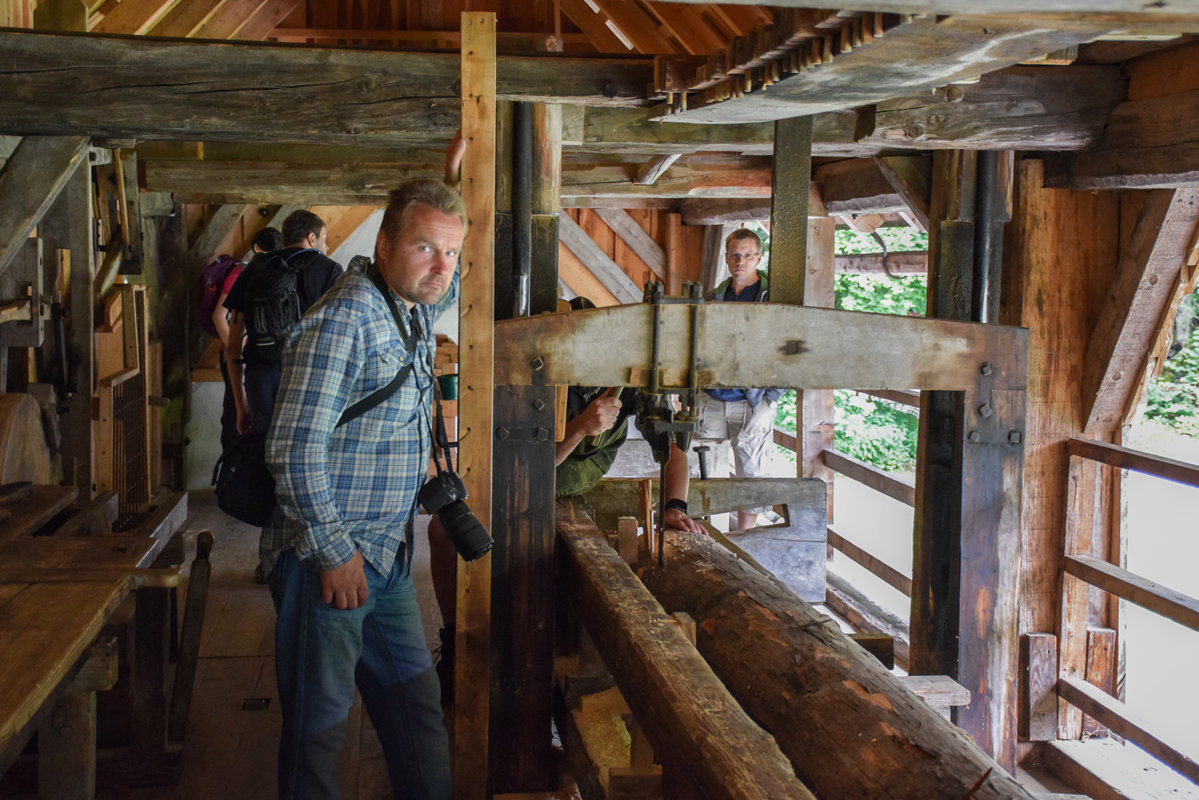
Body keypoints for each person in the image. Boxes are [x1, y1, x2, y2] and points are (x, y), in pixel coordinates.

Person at [262, 174, 464, 799]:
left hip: (387, 555)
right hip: (329, 560)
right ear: (384, 244)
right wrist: (333, 552)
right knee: (319, 732)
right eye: (426, 247)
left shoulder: (408, 307)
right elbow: (292, 449)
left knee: (416, 710)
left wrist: (457, 175)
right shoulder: (345, 318)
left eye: (451, 251)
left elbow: (449, 277)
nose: (442, 267)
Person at [224, 210, 343, 435]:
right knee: (306, 452)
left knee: (263, 453)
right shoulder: (330, 270)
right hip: (308, 379)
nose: (326, 247)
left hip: (260, 378)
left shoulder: (254, 269)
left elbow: (232, 347)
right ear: (311, 238)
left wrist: (241, 406)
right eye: (324, 239)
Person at [699, 228, 784, 530]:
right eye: (735, 254)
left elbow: (788, 351)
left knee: (751, 470)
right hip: (711, 396)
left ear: (759, 258)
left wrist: (771, 401)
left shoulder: (771, 298)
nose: (740, 261)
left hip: (751, 399)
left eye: (748, 255)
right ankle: (703, 530)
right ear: (726, 257)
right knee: (700, 464)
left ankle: (745, 540)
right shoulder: (714, 297)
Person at [212, 227, 282, 451]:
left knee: (240, 418)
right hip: (250, 360)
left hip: (247, 360)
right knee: (238, 416)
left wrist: (236, 349)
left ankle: (234, 477)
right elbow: (219, 316)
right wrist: (238, 350)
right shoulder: (250, 276)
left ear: (256, 248)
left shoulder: (248, 275)